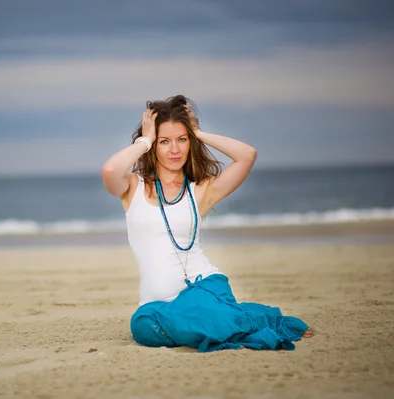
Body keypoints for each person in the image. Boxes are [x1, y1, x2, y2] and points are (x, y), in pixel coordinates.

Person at [101, 94, 314, 352]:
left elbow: (247, 155)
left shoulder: (199, 191)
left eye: (182, 139)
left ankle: (242, 320)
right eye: (164, 141)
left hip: (203, 288)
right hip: (158, 304)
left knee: (201, 316)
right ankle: (233, 321)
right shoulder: (133, 188)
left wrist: (198, 132)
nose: (175, 150)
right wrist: (144, 140)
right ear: (153, 146)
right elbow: (111, 171)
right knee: (142, 325)